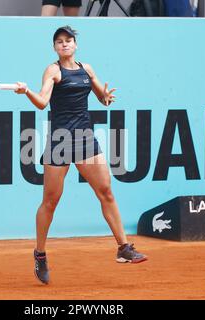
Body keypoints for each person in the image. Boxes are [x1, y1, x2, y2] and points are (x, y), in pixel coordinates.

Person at [14, 26, 147, 285]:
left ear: (75, 45)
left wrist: (106, 97)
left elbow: (101, 97)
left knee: (106, 191)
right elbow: (42, 102)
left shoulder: (87, 69)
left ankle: (123, 247)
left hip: (85, 138)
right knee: (51, 201)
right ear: (54, 47)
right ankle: (40, 254)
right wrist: (26, 91)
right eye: (59, 42)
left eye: (68, 41)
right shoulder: (53, 70)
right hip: (60, 140)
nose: (64, 44)